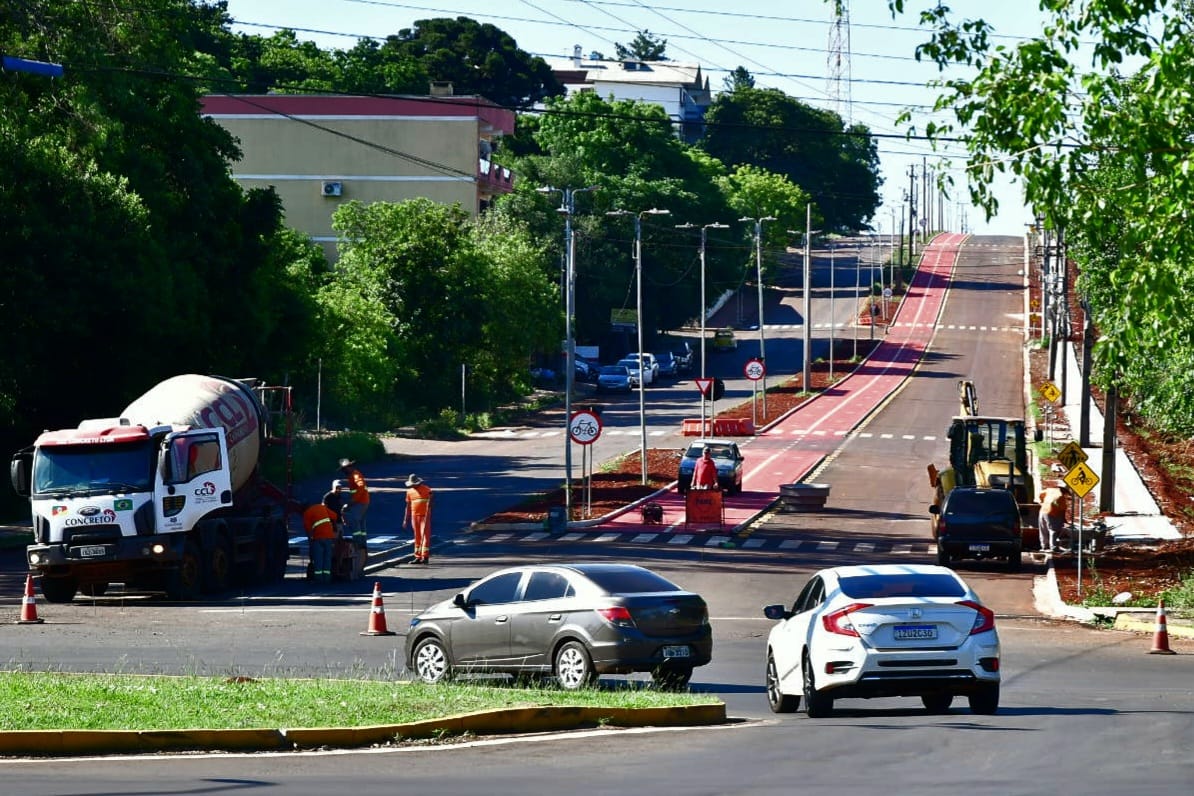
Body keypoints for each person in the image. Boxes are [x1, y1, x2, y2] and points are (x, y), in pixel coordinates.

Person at [301, 500, 338, 582]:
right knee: (327, 557)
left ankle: (319, 579)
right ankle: (327, 578)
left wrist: (310, 539)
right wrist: (333, 525)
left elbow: (307, 528)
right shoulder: (321, 507)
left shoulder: (306, 513)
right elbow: (335, 516)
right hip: (328, 536)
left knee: (318, 558)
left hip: (318, 537)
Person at [338, 459, 370, 550]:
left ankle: (358, 544)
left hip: (360, 502)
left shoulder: (355, 475)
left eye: (344, 469)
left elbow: (360, 486)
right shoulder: (352, 475)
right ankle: (363, 545)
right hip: (362, 501)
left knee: (353, 519)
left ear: (349, 467)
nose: (343, 471)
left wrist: (352, 502)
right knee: (361, 523)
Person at [403, 473, 433, 564]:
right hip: (414, 516)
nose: (414, 486)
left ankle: (425, 556)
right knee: (417, 536)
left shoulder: (427, 490)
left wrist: (430, 501)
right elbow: (408, 506)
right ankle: (418, 556)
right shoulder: (409, 492)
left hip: (424, 516)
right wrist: (405, 519)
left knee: (425, 536)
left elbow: (431, 503)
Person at [1039, 484, 1071, 552]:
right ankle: (1053, 547)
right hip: (1051, 513)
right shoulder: (1060, 496)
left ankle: (1044, 546)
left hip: (1043, 511)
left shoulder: (1050, 490)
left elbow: (1040, 494)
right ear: (1064, 491)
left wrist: (1042, 502)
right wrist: (1064, 520)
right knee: (1053, 530)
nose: (1065, 494)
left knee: (1043, 529)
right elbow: (1062, 510)